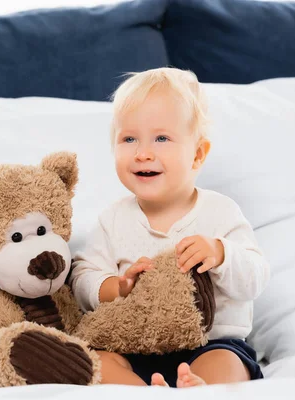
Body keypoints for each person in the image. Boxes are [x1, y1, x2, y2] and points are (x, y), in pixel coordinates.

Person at [69, 67, 270, 388]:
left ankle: (198, 387)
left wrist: (221, 254)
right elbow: (81, 279)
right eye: (129, 138)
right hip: (134, 347)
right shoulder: (113, 219)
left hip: (210, 344)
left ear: (198, 154)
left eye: (161, 138)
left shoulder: (220, 211)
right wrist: (116, 287)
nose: (143, 153)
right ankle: (143, 391)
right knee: (97, 362)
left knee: (228, 363)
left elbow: (255, 279)